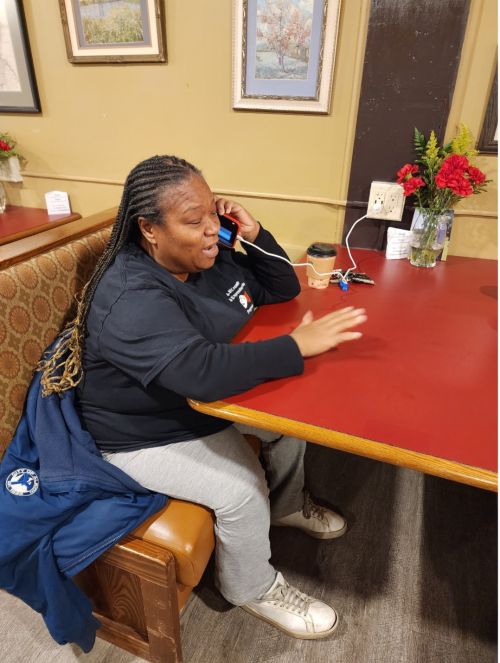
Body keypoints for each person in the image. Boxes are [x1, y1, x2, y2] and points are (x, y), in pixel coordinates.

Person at [40, 155, 367, 640]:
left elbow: (278, 289)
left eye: (213, 212)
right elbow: (200, 374)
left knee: (288, 427)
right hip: (138, 434)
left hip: (191, 403)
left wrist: (254, 234)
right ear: (150, 229)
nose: (212, 229)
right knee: (240, 489)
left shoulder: (204, 257)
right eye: (195, 221)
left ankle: (288, 505)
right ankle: (252, 587)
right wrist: (295, 347)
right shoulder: (131, 295)